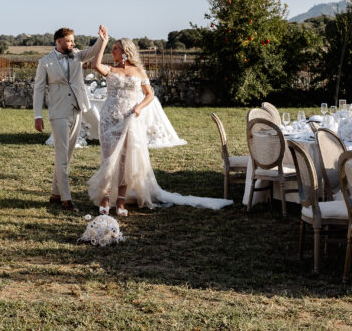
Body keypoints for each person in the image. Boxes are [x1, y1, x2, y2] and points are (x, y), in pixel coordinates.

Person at [88, 37, 232, 215]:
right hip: (109, 119)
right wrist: (103, 41)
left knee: (126, 161)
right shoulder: (110, 70)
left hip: (130, 119)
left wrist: (139, 107)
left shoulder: (139, 71)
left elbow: (150, 94)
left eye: (116, 48)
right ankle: (104, 199)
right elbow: (95, 64)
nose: (113, 51)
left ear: (125, 51)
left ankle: (120, 202)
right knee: (108, 159)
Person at [33, 25, 108, 211]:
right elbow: (39, 89)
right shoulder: (45, 62)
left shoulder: (77, 55)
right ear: (58, 41)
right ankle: (66, 199)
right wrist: (37, 115)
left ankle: (55, 193)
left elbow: (92, 52)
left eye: (73, 40)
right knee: (62, 155)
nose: (73, 43)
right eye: (69, 40)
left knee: (67, 155)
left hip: (77, 109)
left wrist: (102, 39)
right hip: (58, 113)